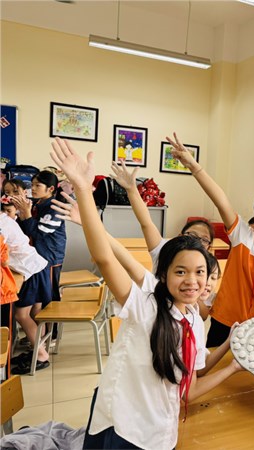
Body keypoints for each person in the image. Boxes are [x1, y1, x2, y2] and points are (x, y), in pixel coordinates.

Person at [49, 137, 243, 450]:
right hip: (124, 427)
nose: (192, 280)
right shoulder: (147, 304)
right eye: (181, 272)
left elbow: (191, 381)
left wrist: (230, 355)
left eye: (200, 272)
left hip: (161, 434)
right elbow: (107, 258)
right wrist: (85, 193)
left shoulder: (194, 320)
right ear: (164, 274)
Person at [166, 132, 254, 347]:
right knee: (213, 366)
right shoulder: (243, 237)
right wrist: (194, 166)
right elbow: (221, 201)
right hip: (224, 321)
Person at [9, 170, 66, 374]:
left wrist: (25, 214)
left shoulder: (53, 207)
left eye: (37, 186)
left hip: (47, 260)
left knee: (43, 303)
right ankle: (38, 345)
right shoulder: (38, 204)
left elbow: (39, 234)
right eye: (31, 185)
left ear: (50, 189)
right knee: (37, 306)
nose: (32, 189)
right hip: (38, 260)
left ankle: (45, 346)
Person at [110, 161, 214, 270]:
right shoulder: (164, 250)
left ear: (209, 247)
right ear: (180, 236)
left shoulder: (209, 268)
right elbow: (146, 223)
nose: (197, 242)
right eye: (192, 235)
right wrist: (131, 189)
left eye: (204, 239)